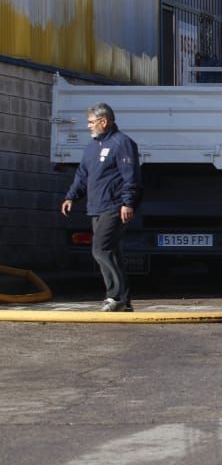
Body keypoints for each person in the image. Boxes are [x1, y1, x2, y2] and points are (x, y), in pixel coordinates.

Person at [60, 102, 141, 312]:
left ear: (103, 121)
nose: (88, 126)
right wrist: (71, 197)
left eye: (91, 122)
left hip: (115, 207)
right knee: (111, 251)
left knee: (100, 249)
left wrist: (128, 202)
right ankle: (123, 300)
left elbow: (131, 176)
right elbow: (82, 175)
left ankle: (115, 296)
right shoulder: (92, 147)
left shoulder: (121, 143)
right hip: (96, 207)